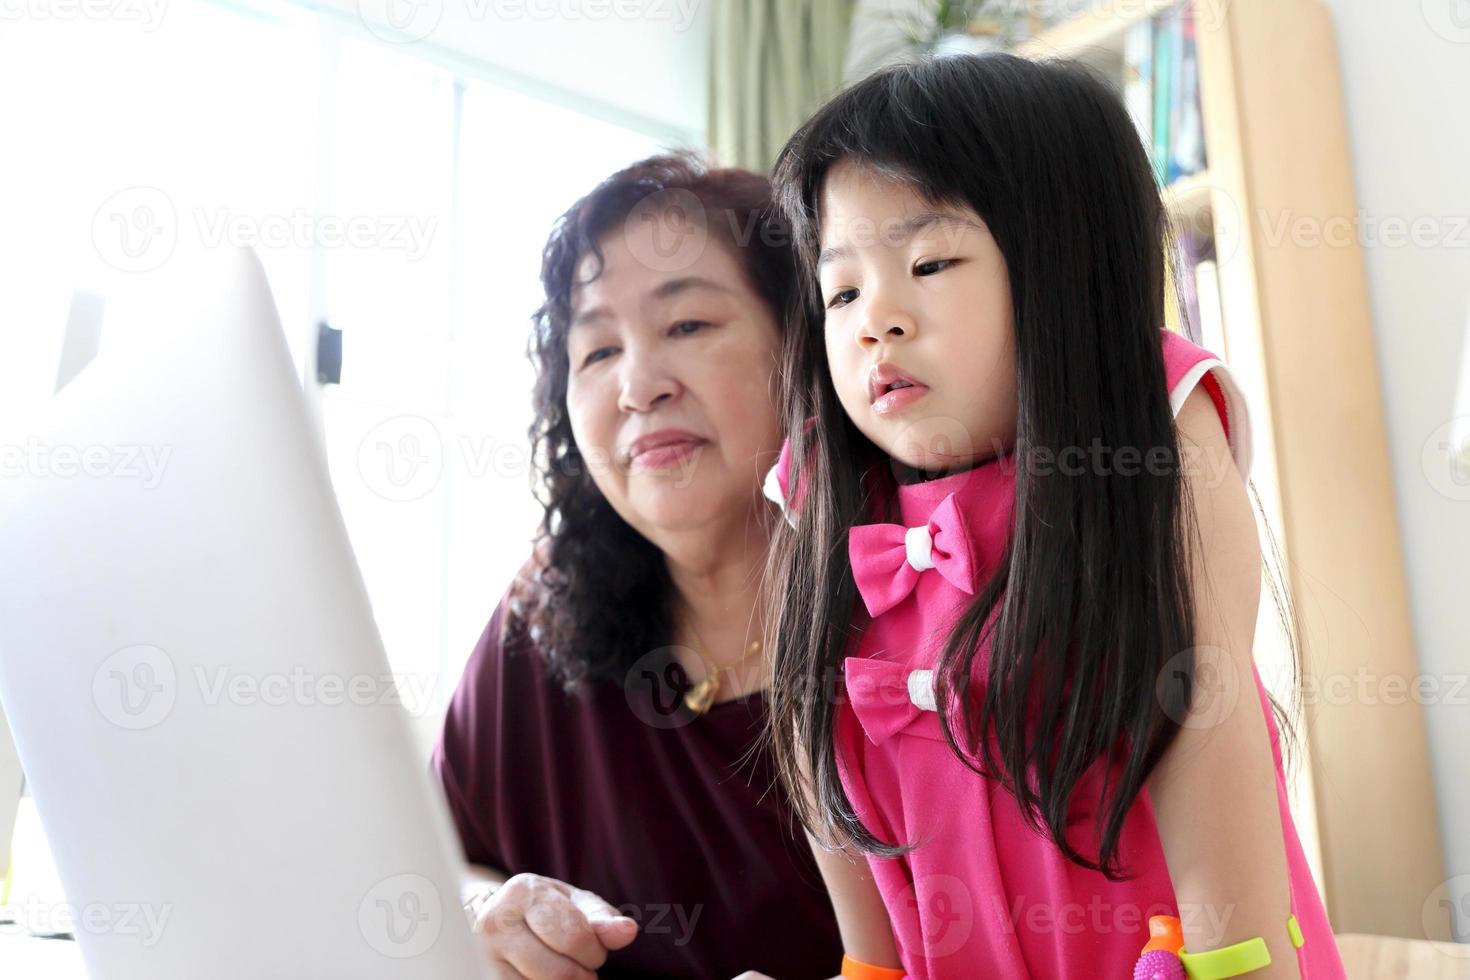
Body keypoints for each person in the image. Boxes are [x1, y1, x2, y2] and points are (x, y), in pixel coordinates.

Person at [760, 54, 1347, 978]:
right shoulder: (824, 486)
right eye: (842, 290)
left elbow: (1208, 712)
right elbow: (818, 758)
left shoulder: (1152, 412)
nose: (876, 320)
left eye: (929, 261)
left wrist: (1238, 969)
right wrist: (867, 968)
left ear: (1065, 269)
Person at [430, 152, 843, 979]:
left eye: (687, 325)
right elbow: (432, 863)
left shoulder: (916, 611)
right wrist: (490, 916)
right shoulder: (539, 614)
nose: (637, 385)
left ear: (801, 350)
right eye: (596, 352)